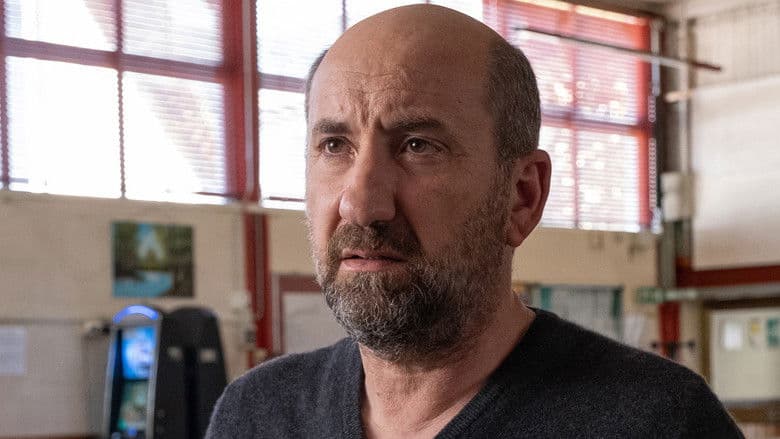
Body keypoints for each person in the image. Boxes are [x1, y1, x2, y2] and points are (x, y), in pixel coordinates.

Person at [207, 4, 743, 438]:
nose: (361, 205)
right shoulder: (257, 414)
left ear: (522, 196)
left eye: (418, 146)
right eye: (334, 145)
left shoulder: (659, 423)